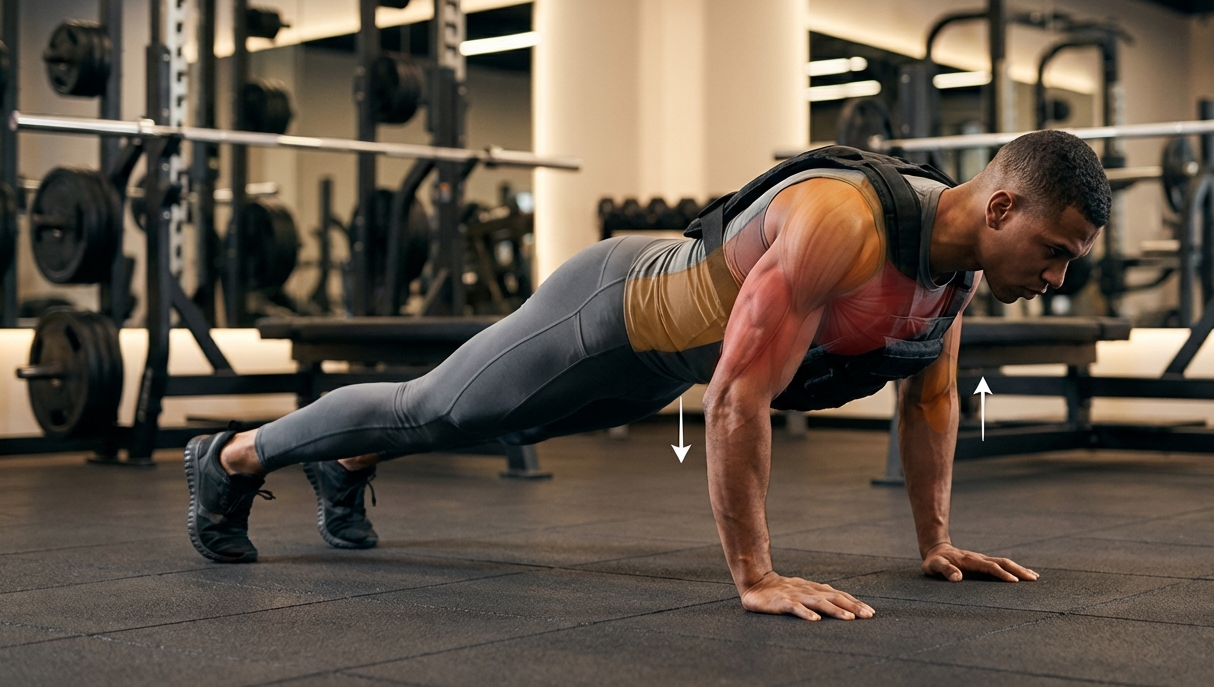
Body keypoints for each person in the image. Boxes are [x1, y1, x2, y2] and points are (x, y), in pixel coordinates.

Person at [184, 129, 1109, 622]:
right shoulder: (846, 222)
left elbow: (934, 399)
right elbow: (740, 395)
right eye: (1055, 250)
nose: (1058, 276)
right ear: (998, 204)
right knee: (438, 409)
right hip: (610, 310)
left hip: (662, 362)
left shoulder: (955, 280)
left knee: (500, 428)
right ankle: (228, 461)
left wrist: (935, 543)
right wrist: (756, 574)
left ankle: (344, 464)